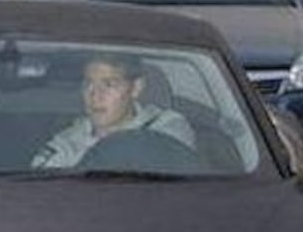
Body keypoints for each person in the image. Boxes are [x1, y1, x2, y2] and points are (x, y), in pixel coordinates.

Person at [32, 53, 196, 169]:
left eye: (109, 85)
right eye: (88, 84)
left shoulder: (166, 128)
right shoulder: (66, 144)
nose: (95, 96)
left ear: (136, 88)